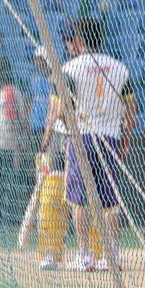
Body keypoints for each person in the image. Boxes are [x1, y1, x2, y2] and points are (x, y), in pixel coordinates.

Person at [48, 18, 135, 272]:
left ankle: (85, 255)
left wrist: (67, 122)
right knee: (111, 202)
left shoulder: (70, 69)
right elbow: (131, 109)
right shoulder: (120, 69)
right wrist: (125, 139)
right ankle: (112, 256)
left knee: (79, 199)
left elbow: (61, 111)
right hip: (110, 137)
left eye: (72, 38)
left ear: (80, 40)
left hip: (80, 137)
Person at [29, 45, 103, 270]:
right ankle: (52, 252)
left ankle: (94, 251)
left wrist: (46, 141)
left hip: (73, 142)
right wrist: (46, 144)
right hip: (64, 144)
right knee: (54, 198)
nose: (39, 65)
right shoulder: (55, 79)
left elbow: (55, 113)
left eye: (42, 61)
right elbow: (53, 115)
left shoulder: (64, 76)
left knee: (83, 198)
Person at [0, 56, 34, 226]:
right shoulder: (5, 91)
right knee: (4, 184)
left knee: (6, 185)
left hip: (8, 148)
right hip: (4, 144)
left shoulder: (8, 92)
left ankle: (9, 220)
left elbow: (14, 122)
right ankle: (6, 220)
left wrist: (16, 149)